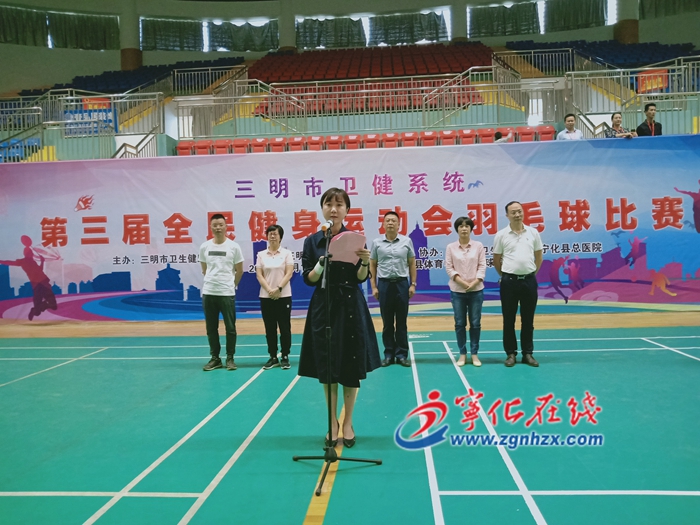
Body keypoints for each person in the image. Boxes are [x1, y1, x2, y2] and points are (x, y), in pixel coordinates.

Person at [299, 187, 381, 448]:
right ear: (322, 208)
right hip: (324, 305)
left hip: (350, 305)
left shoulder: (355, 239)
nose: (333, 209)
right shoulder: (312, 241)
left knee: (350, 362)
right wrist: (321, 263)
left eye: (339, 205)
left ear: (347, 210)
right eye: (328, 204)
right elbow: (308, 279)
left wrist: (365, 262)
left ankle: (348, 422)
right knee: (328, 365)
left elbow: (360, 278)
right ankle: (332, 423)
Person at [493, 201, 543, 367]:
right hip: (509, 283)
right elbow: (496, 260)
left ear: (523, 212)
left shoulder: (533, 233)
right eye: (513, 212)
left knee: (528, 320)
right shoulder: (501, 235)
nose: (517, 215)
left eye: (519, 211)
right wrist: (506, 275)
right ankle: (510, 354)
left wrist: (530, 273)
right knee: (509, 320)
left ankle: (527, 354)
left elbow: (538, 257)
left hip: (529, 281)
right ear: (507, 215)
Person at [370, 211, 417, 368]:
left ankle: (402, 355)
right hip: (384, 285)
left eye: (393, 221)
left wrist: (413, 284)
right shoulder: (377, 243)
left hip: (402, 284)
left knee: (401, 322)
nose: (390, 223)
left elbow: (412, 263)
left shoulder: (406, 241)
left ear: (399, 224)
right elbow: (372, 265)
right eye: (388, 220)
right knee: (387, 323)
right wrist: (374, 286)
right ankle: (389, 354)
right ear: (383, 224)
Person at [199, 213, 244, 371]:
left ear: (226, 227)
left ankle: (230, 358)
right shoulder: (205, 247)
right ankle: (215, 358)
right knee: (211, 328)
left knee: (230, 328)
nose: (218, 228)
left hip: (226, 293)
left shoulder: (234, 247)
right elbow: (204, 269)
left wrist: (231, 285)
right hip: (209, 292)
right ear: (210, 228)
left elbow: (239, 270)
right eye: (215, 225)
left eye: (221, 225)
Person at [445, 217, 486, 367]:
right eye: (461, 226)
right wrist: (461, 282)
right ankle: (462, 353)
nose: (464, 228)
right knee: (460, 323)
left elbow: (482, 265)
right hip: (457, 291)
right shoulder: (451, 247)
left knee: (475, 323)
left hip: (476, 290)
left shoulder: (478, 246)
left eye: (467, 226)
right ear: (457, 229)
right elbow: (449, 267)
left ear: (471, 229)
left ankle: (474, 354)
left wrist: (475, 282)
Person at [256, 224, 294, 370]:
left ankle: (285, 356)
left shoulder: (286, 254)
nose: (272, 236)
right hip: (266, 297)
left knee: (285, 327)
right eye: (270, 233)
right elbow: (259, 275)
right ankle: (273, 357)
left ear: (280, 237)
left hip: (283, 296)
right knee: (270, 328)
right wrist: (270, 290)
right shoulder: (261, 255)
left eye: (275, 234)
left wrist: (278, 289)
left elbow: (289, 273)